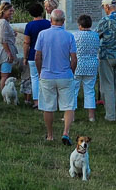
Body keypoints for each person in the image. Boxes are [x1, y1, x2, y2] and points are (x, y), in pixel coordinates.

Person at [35, 8, 77, 145]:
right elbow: (74, 58)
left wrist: (40, 71)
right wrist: (71, 71)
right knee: (69, 105)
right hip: (65, 74)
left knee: (48, 106)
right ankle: (66, 131)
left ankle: (50, 134)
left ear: (51, 20)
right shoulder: (69, 36)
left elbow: (38, 56)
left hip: (47, 74)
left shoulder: (42, 35)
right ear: (63, 21)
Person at [23, 0, 52, 107]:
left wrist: (25, 57)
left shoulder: (29, 26)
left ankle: (37, 101)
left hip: (33, 54)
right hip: (47, 54)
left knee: (35, 78)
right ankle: (48, 99)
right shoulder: (48, 23)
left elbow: (27, 42)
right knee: (47, 77)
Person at [72, 14, 100, 122]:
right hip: (91, 65)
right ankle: (91, 116)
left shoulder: (75, 36)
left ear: (79, 25)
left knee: (73, 90)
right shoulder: (95, 35)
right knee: (90, 91)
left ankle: (72, 116)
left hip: (77, 65)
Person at [0, 1, 18, 99]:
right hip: (4, 50)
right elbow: (3, 39)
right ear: (4, 11)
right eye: (10, 11)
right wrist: (9, 53)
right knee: (4, 75)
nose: (11, 13)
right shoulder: (3, 22)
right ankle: (5, 95)